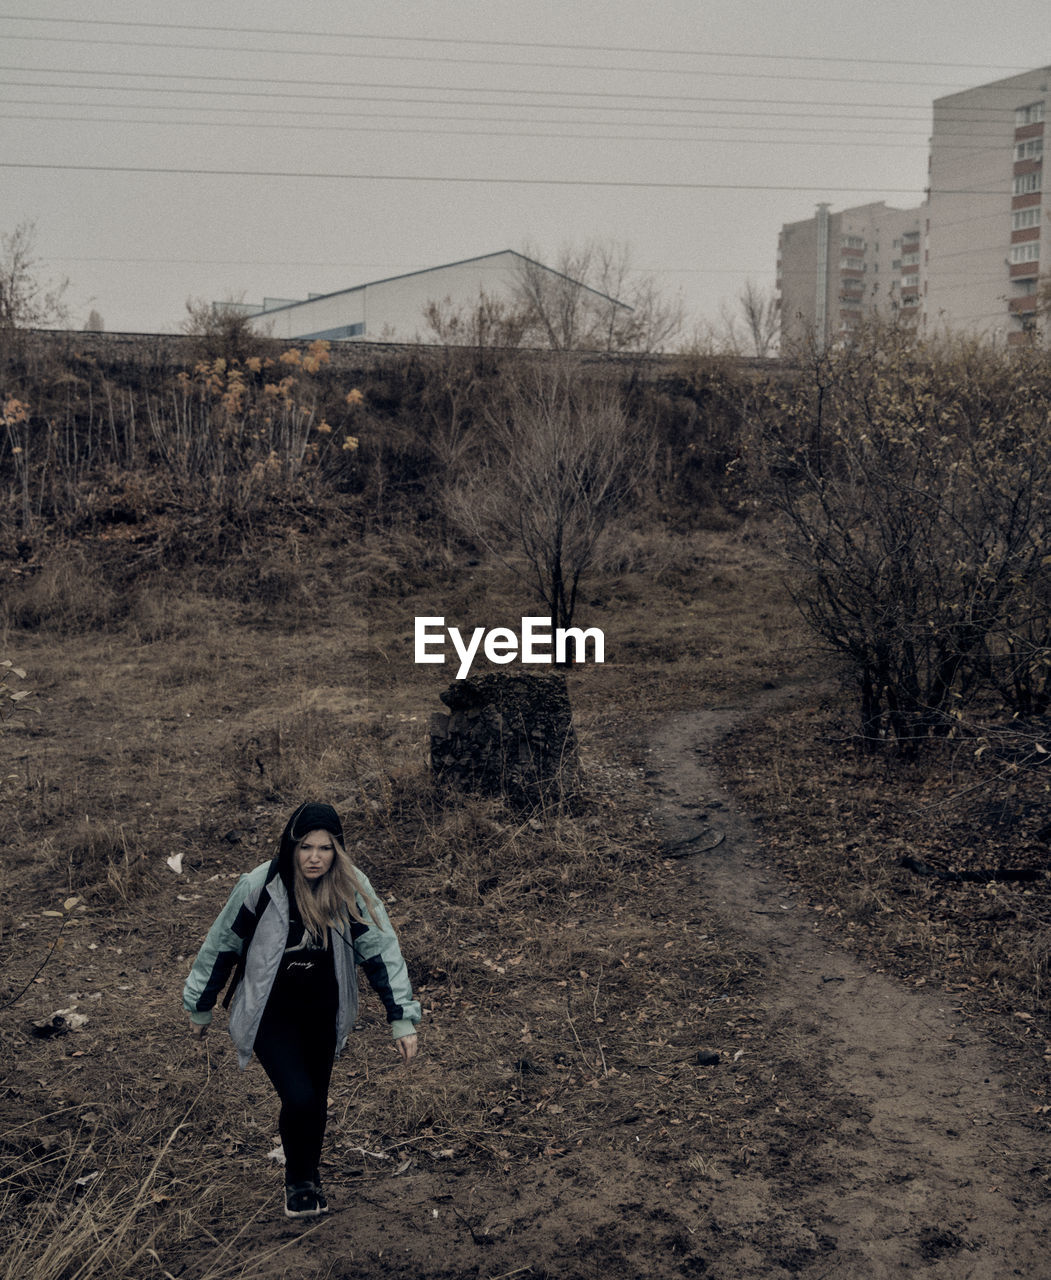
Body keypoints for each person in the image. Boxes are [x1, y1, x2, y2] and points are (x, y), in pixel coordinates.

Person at [182, 801, 420, 1219]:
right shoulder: (261, 884)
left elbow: (382, 951)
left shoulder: (349, 887)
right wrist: (200, 1005)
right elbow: (221, 944)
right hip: (271, 1014)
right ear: (291, 846)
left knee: (313, 1101)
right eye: (306, 847)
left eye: (325, 848)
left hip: (322, 1012)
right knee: (301, 1096)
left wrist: (401, 1018)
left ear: (338, 850)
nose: (315, 857)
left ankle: (305, 1181)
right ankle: (300, 1180)